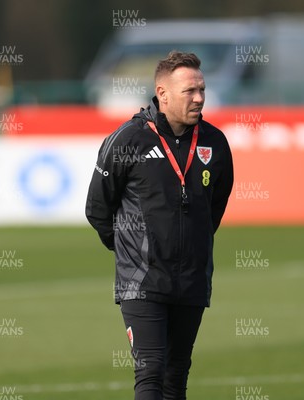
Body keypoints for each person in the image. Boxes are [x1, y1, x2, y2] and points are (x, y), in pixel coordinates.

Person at [86, 51, 234, 400]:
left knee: (175, 378)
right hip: (142, 280)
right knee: (150, 373)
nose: (199, 98)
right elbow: (97, 208)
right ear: (162, 94)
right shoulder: (128, 140)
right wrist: (129, 247)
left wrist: (190, 246)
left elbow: (214, 208)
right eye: (189, 91)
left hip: (192, 279)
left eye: (202, 89)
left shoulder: (215, 143)